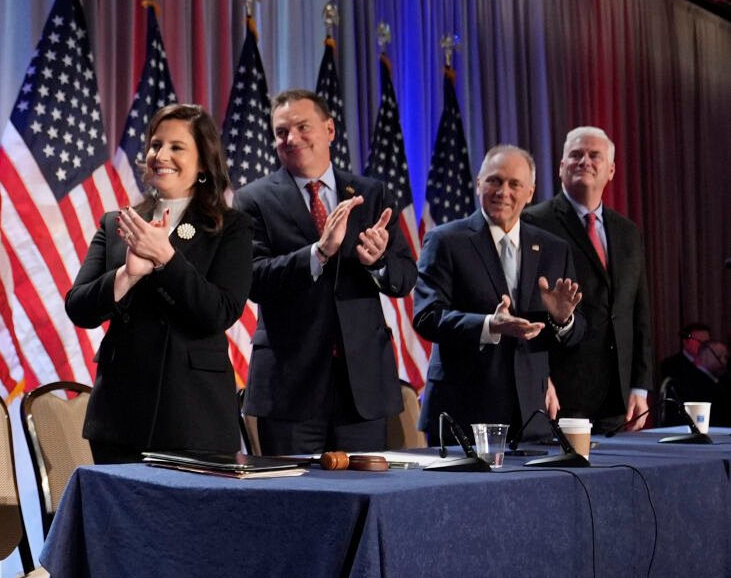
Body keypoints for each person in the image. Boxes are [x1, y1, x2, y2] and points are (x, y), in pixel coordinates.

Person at [65, 102, 253, 460]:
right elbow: (79, 307)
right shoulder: (117, 224)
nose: (160, 154)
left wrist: (167, 259)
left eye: (176, 147)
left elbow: (219, 312)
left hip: (193, 416)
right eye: (155, 144)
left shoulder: (231, 228)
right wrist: (127, 275)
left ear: (202, 163)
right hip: (120, 415)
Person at [236, 90, 416, 453]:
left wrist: (377, 262)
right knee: (292, 501)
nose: (291, 138)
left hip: (361, 388)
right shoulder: (253, 199)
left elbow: (405, 276)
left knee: (363, 497)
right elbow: (253, 279)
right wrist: (318, 253)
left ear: (330, 130)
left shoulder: (370, 194)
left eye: (303, 127)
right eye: (281, 132)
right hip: (290, 387)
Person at [413, 145, 584, 438]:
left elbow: (577, 330)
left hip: (531, 412)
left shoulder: (554, 249)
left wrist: (563, 320)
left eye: (514, 184)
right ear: (479, 183)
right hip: (463, 411)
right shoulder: (446, 241)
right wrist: (488, 325)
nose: (503, 191)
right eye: (494, 180)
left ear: (530, 192)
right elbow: (427, 316)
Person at [523, 127, 652, 433]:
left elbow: (639, 313)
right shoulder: (533, 222)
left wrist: (640, 386)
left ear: (611, 169)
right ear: (560, 167)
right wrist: (539, 378)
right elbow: (525, 305)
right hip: (561, 394)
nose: (585, 161)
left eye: (595, 155)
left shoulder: (628, 231)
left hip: (618, 397)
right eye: (576, 155)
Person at [659, 321, 712, 387]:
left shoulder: (711, 362)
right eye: (699, 341)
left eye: (706, 342)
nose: (703, 345)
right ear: (685, 342)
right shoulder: (671, 364)